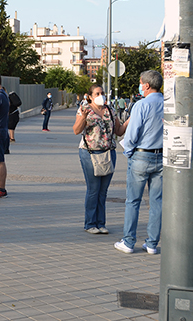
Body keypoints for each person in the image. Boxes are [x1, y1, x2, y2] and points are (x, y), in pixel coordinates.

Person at [114, 70, 163, 254]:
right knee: (157, 201)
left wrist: (129, 151)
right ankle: (151, 244)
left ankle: (128, 242)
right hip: (162, 156)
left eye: (141, 84)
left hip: (142, 155)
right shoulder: (169, 105)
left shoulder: (141, 105)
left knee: (133, 201)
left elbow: (132, 134)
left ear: (147, 85)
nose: (140, 87)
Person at [72, 84, 124, 234]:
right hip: (90, 153)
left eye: (102, 93)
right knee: (93, 189)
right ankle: (90, 223)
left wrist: (130, 121)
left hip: (108, 153)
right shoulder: (84, 109)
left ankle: (101, 223)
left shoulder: (110, 110)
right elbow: (76, 130)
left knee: (103, 191)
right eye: (97, 93)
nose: (100, 95)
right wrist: (83, 116)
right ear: (90, 96)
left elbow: (119, 131)